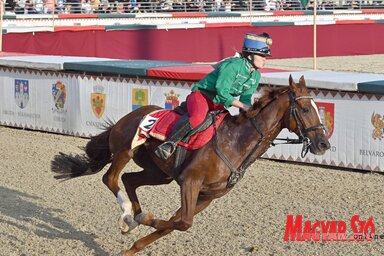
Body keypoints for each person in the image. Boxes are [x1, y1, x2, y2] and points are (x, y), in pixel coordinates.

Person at [155, 32, 272, 160]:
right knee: (197, 119)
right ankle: (169, 144)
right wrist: (243, 106)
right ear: (250, 56)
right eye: (261, 55)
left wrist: (250, 117)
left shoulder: (256, 76)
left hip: (217, 103)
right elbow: (222, 92)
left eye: (265, 56)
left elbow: (245, 99)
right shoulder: (233, 66)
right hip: (202, 96)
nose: (264, 58)